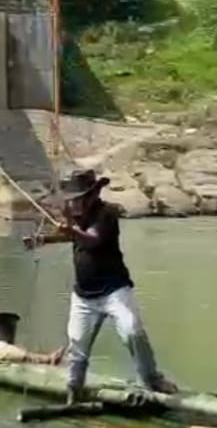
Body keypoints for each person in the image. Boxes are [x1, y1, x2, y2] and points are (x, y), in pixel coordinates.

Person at [57, 169, 178, 404]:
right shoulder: (77, 216)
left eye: (79, 197)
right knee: (77, 341)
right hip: (83, 295)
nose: (75, 202)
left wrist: (71, 229)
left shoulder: (107, 213)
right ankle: (74, 387)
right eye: (73, 198)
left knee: (132, 330)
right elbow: (73, 237)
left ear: (93, 194)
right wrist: (48, 237)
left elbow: (92, 239)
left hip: (114, 290)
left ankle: (151, 378)